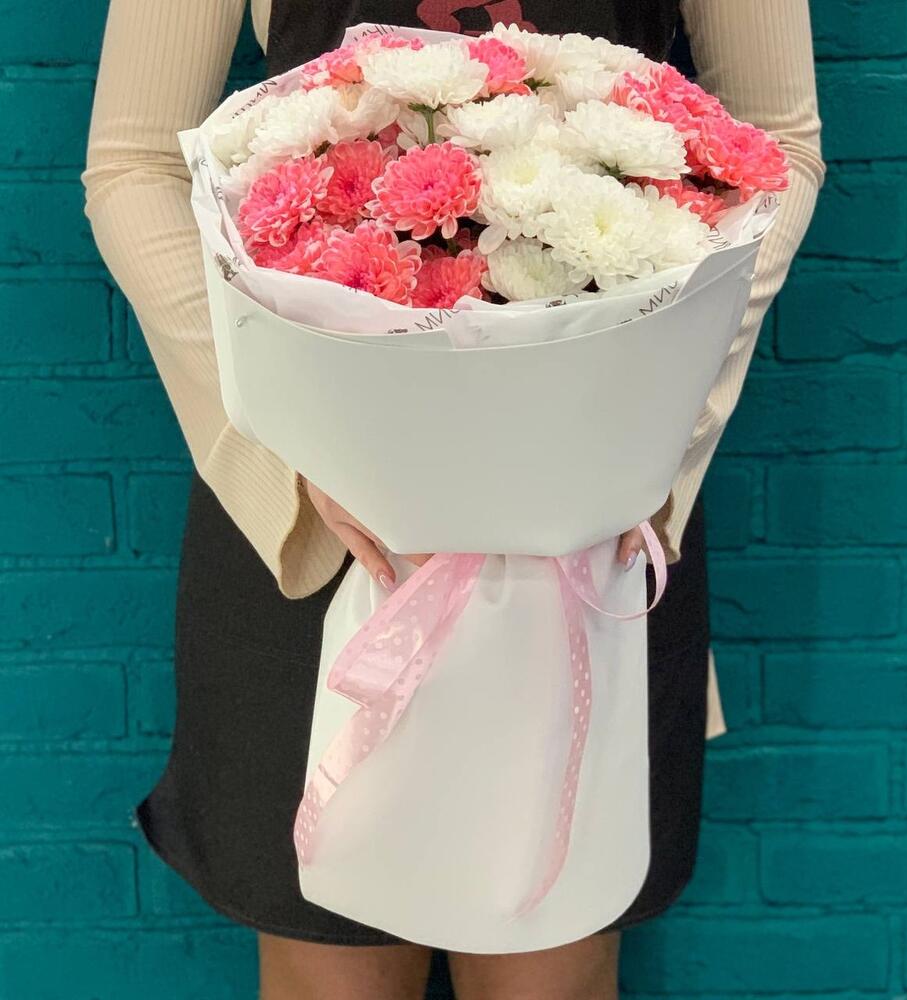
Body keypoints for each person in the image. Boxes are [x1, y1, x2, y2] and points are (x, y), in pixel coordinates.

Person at [81, 1, 825, 997]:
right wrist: (287, 444)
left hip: (592, 524)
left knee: (551, 966)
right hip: (314, 528)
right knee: (327, 969)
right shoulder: (299, 480)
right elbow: (130, 165)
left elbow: (779, 148)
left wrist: (653, 435)